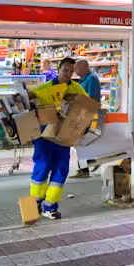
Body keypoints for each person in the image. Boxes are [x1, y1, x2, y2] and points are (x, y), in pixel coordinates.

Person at [28, 57, 88, 220]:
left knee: (61, 169)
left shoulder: (77, 89)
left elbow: (87, 108)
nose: (68, 74)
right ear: (58, 69)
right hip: (43, 136)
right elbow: (29, 106)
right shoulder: (43, 89)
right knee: (43, 166)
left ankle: (50, 207)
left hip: (64, 137)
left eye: (71, 71)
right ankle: (35, 203)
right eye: (65, 70)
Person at [70, 60, 101, 179]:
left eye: (76, 68)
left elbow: (91, 97)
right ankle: (89, 162)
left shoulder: (91, 79)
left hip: (88, 114)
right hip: (83, 113)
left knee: (81, 141)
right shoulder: (84, 80)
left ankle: (85, 168)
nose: (75, 71)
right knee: (82, 141)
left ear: (84, 67)